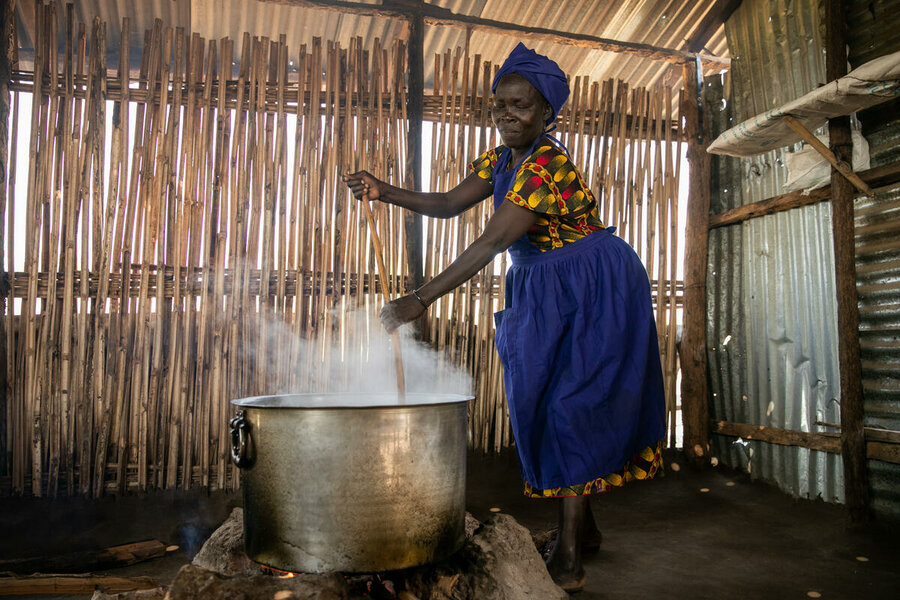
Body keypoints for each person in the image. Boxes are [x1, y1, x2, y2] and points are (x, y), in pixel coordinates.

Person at [344, 42, 665, 593]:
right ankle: (583, 529)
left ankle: (568, 558)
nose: (507, 115)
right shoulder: (501, 159)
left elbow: (494, 239)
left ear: (546, 113)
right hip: (541, 283)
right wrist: (385, 191)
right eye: (499, 107)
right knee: (541, 396)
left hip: (592, 283)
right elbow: (449, 203)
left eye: (520, 105)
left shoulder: (548, 164)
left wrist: (419, 298)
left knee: (572, 406)